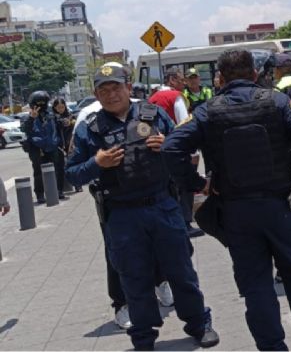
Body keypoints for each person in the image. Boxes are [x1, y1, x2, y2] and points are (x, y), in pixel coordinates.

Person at [162, 50, 291, 351]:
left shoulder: (207, 111)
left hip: (236, 212)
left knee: (256, 288)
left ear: (221, 78)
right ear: (254, 75)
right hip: (282, 206)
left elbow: (172, 148)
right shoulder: (277, 101)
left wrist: (199, 185)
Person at [66, 64, 219, 351]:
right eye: (104, 90)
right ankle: (144, 337)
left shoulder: (154, 114)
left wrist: (168, 144)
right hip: (122, 214)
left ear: (128, 88)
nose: (111, 95)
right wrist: (96, 164)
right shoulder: (90, 129)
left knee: (181, 271)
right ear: (96, 94)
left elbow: (184, 148)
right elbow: (72, 174)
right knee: (133, 278)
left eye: (116, 87)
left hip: (163, 205)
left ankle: (199, 324)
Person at [149, 67, 201, 237]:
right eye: (180, 79)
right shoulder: (175, 97)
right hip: (176, 147)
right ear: (171, 80)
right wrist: (192, 151)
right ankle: (186, 223)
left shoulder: (152, 98)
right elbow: (184, 122)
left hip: (156, 150)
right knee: (185, 185)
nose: (183, 83)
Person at [23, 90, 65, 203]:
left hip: (52, 146)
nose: (40, 107)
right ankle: (40, 194)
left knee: (57, 169)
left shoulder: (51, 114)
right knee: (38, 172)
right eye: (38, 104)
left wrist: (63, 122)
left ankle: (58, 190)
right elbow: (25, 129)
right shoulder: (28, 117)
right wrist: (31, 118)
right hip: (37, 148)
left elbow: (58, 127)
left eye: (43, 103)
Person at [52, 97, 81, 193]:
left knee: (74, 164)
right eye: (58, 107)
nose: (60, 109)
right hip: (58, 145)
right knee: (59, 167)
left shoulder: (70, 116)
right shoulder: (52, 118)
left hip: (70, 144)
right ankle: (60, 189)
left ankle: (77, 185)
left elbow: (76, 128)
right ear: (54, 107)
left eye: (62, 107)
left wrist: (71, 122)